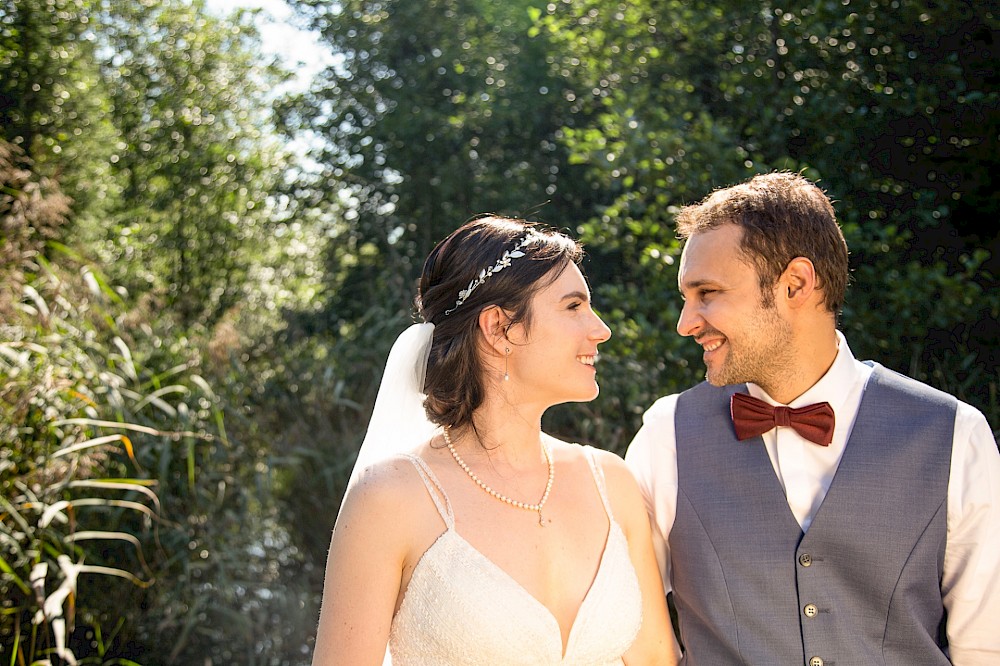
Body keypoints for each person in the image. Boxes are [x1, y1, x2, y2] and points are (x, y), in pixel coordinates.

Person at [625, 171, 1000, 665]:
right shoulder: (666, 436)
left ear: (795, 284)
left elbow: (986, 646)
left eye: (707, 293)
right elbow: (631, 633)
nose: (686, 323)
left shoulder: (954, 436)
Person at [312, 216, 681, 665]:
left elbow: (656, 660)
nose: (600, 329)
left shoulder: (612, 483)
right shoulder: (389, 498)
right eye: (573, 307)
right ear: (499, 328)